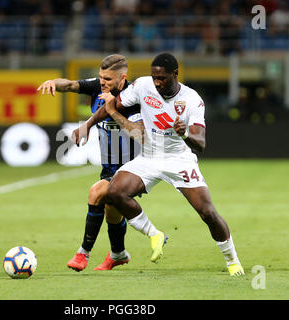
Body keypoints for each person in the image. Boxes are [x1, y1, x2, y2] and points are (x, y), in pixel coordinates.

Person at [94, 53, 244, 276]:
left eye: (162, 78)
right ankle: (155, 234)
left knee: (207, 213)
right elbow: (112, 105)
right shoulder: (144, 85)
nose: (157, 82)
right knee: (115, 192)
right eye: (154, 77)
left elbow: (201, 143)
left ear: (175, 74)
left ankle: (232, 260)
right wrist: (87, 125)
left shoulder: (192, 100)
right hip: (149, 157)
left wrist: (184, 134)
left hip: (178, 160)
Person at [37, 54, 141, 271]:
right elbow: (70, 85)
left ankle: (82, 254)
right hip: (110, 167)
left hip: (134, 167)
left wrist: (113, 112)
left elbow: (139, 134)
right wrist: (53, 83)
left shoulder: (134, 97)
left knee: (96, 193)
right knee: (111, 212)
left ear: (123, 79)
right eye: (101, 77)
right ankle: (119, 254)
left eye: (109, 80)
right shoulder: (97, 87)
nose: (103, 82)